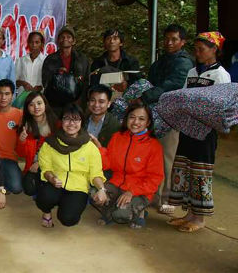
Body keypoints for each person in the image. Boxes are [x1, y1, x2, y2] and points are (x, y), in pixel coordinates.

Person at [168, 32, 231, 232]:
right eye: (195, 49)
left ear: (214, 50)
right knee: (186, 169)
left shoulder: (221, 74)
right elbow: (184, 95)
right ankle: (189, 214)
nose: (197, 53)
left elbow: (222, 105)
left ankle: (199, 218)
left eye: (201, 49)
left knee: (200, 172)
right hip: (188, 128)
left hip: (205, 132)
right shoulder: (192, 72)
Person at [141, 24, 193, 214]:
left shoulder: (184, 63)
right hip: (153, 113)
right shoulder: (162, 60)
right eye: (167, 39)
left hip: (171, 116)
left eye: (174, 39)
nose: (169, 43)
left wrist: (145, 96)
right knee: (151, 156)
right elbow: (151, 81)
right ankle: (152, 195)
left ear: (182, 42)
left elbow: (171, 85)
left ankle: (167, 198)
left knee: (167, 158)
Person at [91, 101, 164, 228]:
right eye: (132, 117)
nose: (135, 122)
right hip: (116, 183)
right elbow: (108, 165)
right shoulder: (117, 137)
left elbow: (155, 178)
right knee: (94, 194)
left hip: (140, 191)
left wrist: (132, 192)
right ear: (126, 119)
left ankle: (139, 212)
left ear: (148, 123)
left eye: (141, 119)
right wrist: (100, 149)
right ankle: (111, 212)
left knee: (121, 215)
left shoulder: (154, 146)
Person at [36, 103, 107, 228]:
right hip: (55, 182)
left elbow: (96, 173)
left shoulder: (90, 147)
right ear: (61, 121)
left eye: (76, 119)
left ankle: (69, 204)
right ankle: (46, 212)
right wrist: (51, 178)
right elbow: (46, 168)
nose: (71, 123)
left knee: (68, 219)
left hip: (78, 187)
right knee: (44, 198)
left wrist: (101, 189)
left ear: (81, 122)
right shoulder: (50, 143)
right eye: (67, 118)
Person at [16, 91, 57, 196]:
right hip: (32, 166)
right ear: (27, 108)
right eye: (31, 104)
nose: (36, 107)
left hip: (52, 165)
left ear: (45, 104)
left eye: (39, 103)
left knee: (48, 191)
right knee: (29, 190)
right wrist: (22, 141)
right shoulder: (25, 126)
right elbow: (21, 154)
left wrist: (39, 163)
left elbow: (58, 150)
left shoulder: (55, 124)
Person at [41, 25, 90, 113]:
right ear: (58, 41)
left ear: (74, 41)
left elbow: (86, 82)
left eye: (68, 37)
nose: (65, 39)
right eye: (62, 37)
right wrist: (57, 74)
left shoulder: (82, 59)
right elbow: (45, 82)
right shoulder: (50, 59)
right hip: (55, 105)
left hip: (77, 105)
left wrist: (80, 101)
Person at [16, 30, 45, 95]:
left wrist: (40, 87)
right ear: (28, 43)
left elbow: (48, 82)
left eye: (37, 42)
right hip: (22, 97)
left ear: (42, 44)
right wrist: (23, 83)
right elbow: (15, 81)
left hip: (39, 97)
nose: (34, 45)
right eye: (31, 42)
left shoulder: (46, 61)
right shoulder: (21, 60)